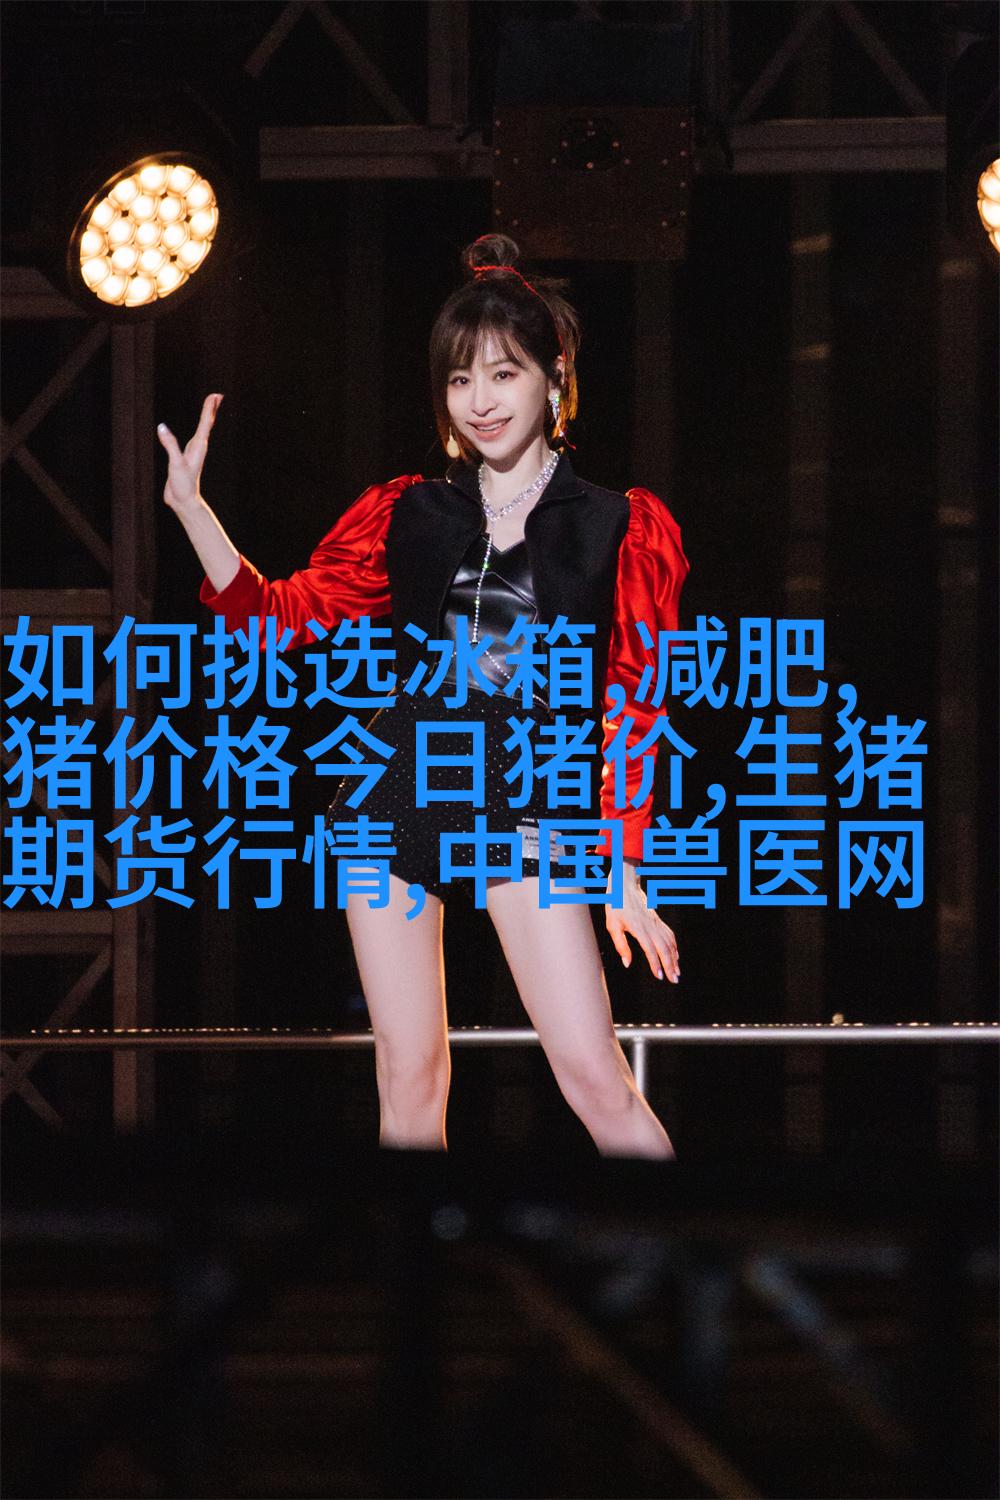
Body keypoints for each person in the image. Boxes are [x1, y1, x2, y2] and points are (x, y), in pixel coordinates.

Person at [158, 233, 689, 1158]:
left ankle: (693, 1252)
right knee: (409, 1076)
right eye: (459, 379)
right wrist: (194, 513)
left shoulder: (620, 524)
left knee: (594, 1077)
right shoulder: (410, 510)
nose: (480, 401)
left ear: (555, 378)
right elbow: (279, 618)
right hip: (395, 791)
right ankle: (409, 1256)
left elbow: (634, 698)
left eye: (505, 374)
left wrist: (624, 867)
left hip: (530, 796)